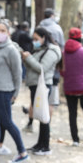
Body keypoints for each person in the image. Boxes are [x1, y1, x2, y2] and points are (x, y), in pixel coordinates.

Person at [0, 21, 29, 163]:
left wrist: (16, 92)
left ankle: (22, 152)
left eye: (3, 30)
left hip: (3, 92)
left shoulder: (11, 49)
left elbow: (18, 73)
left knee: (7, 122)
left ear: (8, 33)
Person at [21, 27, 62, 155]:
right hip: (35, 85)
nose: (34, 41)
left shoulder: (52, 51)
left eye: (36, 39)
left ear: (44, 37)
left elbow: (42, 68)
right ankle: (40, 144)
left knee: (44, 116)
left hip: (43, 86)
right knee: (39, 115)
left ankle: (45, 146)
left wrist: (29, 58)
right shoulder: (40, 49)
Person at [39, 8, 65, 109]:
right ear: (52, 16)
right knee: (52, 90)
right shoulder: (57, 28)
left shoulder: (39, 27)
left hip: (40, 63)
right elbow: (62, 45)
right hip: (54, 63)